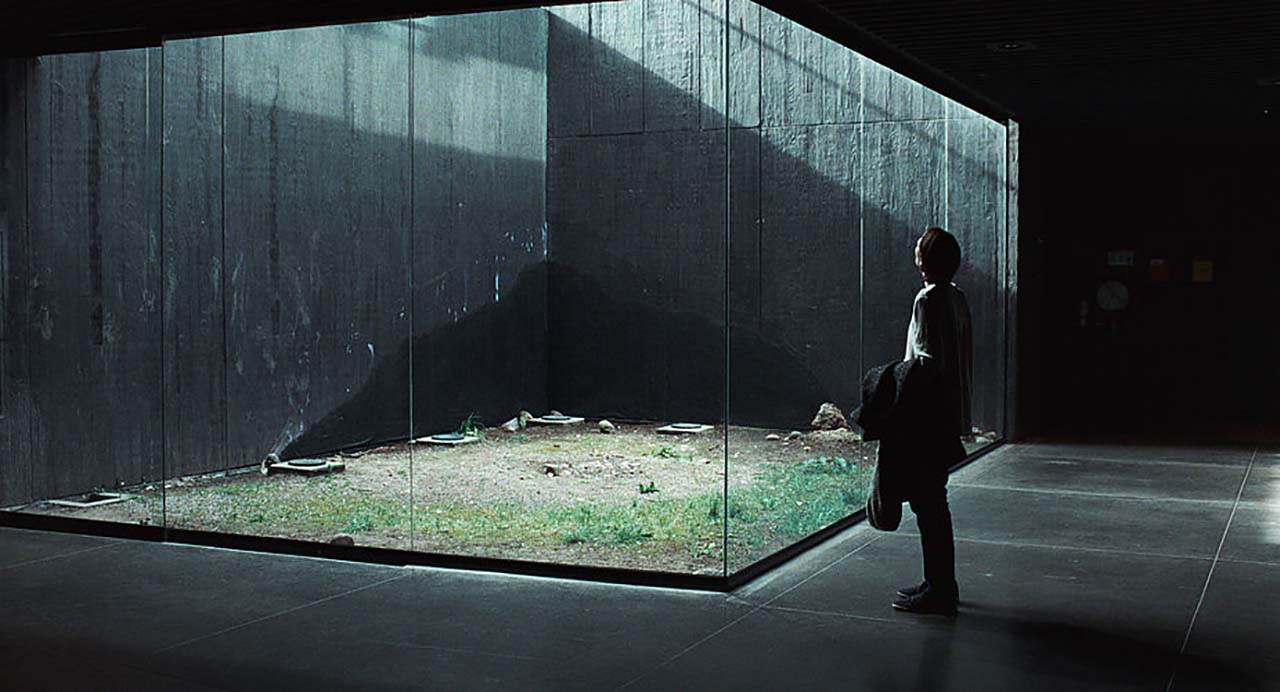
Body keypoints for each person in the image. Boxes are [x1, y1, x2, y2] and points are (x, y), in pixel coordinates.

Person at [888, 226, 972, 615]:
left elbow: (925, 362)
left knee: (929, 504)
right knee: (935, 500)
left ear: (924, 259)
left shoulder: (928, 299)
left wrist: (894, 380)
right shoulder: (957, 297)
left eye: (920, 247)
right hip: (948, 412)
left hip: (926, 415)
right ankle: (938, 582)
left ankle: (940, 589)